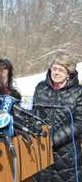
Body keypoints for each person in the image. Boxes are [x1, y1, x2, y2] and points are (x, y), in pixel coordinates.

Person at [32, 52, 82, 182]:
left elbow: (78, 123)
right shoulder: (40, 88)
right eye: (54, 68)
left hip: (67, 154)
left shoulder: (78, 92)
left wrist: (54, 139)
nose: (56, 73)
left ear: (69, 73)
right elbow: (34, 114)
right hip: (41, 150)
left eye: (61, 70)